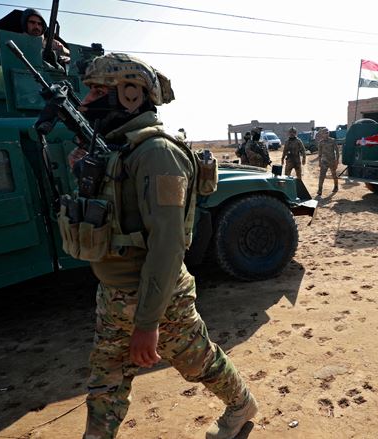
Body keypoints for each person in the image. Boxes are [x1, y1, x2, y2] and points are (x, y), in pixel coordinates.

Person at [65, 53, 257, 439]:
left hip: (159, 297)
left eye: (97, 91)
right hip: (113, 292)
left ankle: (241, 404)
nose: (86, 102)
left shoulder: (158, 153)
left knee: (198, 361)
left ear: (131, 94)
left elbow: (168, 245)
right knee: (105, 379)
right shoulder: (116, 149)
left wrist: (147, 323)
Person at [315, 127, 340, 195]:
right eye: (325, 133)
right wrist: (319, 162)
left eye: (327, 133)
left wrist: (337, 161)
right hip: (324, 161)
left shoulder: (333, 140)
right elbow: (319, 153)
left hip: (332, 161)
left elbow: (337, 151)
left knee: (334, 175)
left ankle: (336, 187)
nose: (326, 134)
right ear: (322, 134)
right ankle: (320, 189)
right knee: (322, 176)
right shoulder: (321, 142)